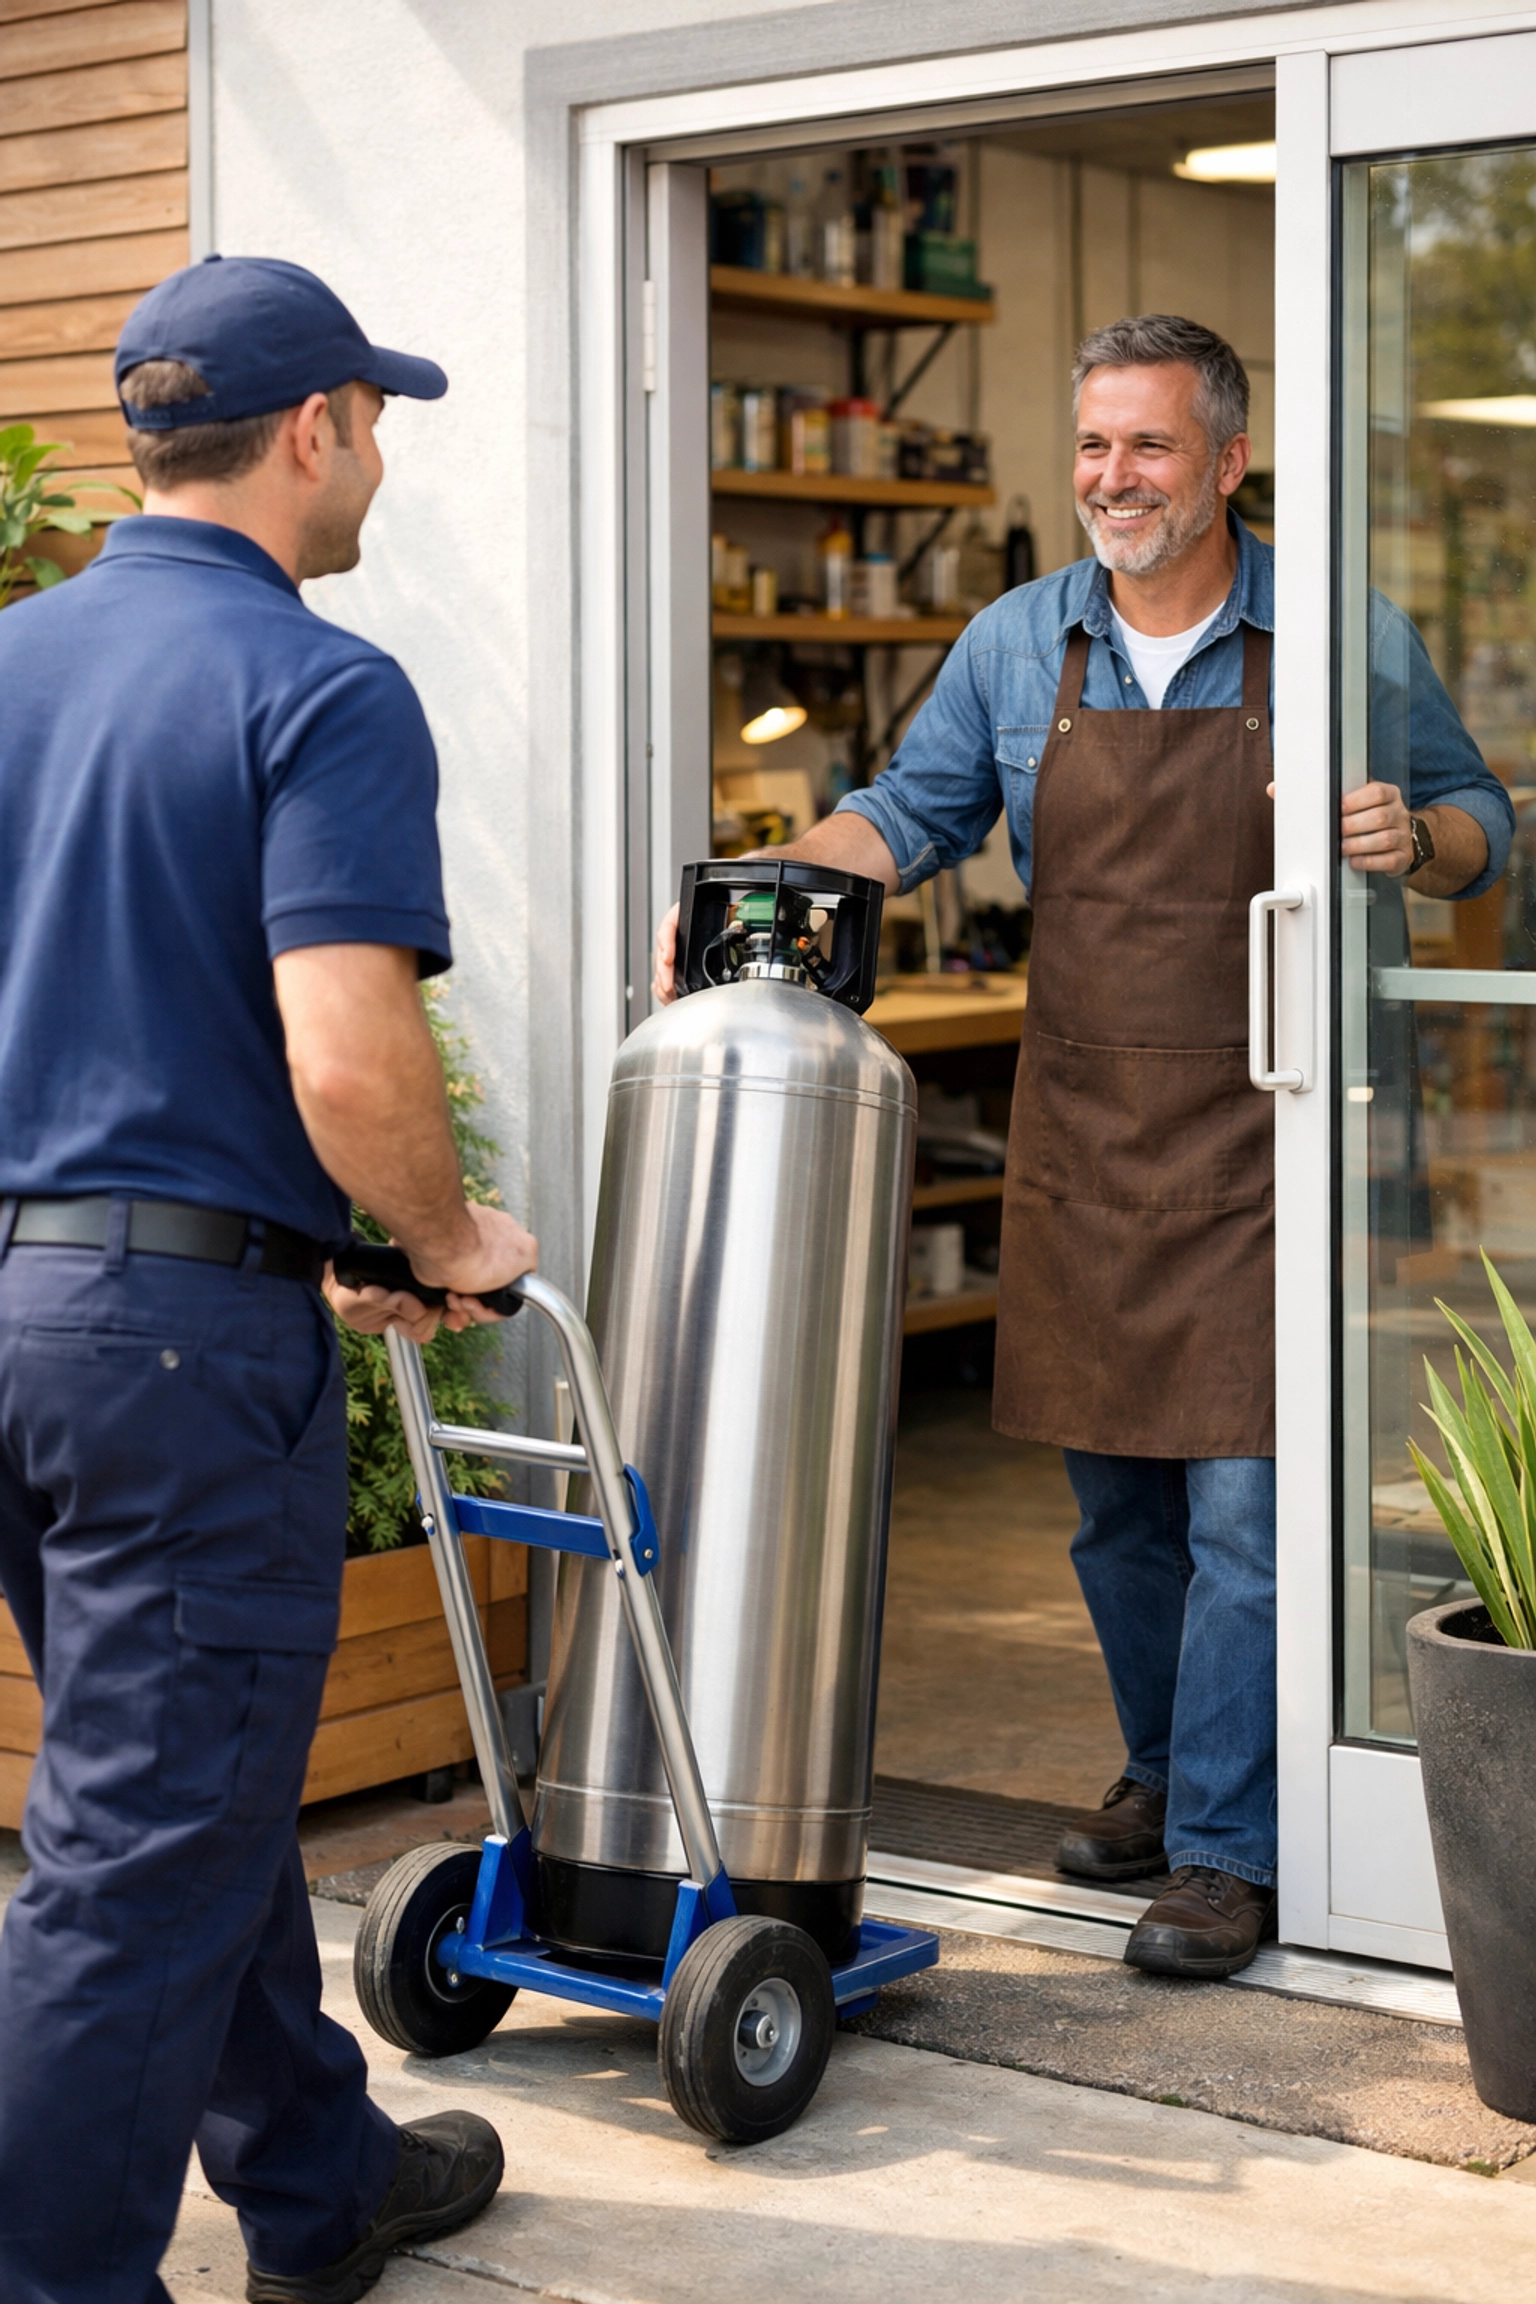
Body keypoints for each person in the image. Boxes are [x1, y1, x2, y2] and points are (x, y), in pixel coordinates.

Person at [654, 314, 1514, 1980]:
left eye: (1153, 447)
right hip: (1090, 1131)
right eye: (1097, 447)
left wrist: (1419, 838)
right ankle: (1165, 1765)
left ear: (1228, 463)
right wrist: (746, 899)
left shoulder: (1335, 632)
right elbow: (907, 812)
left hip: (1270, 1130)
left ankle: (1223, 1850)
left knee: (1246, 1512)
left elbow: (1483, 823)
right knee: (1116, 1513)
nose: (1117, 479)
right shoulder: (1015, 643)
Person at [0, 256, 537, 2304]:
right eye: (376, 422)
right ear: (314, 430)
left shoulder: (10, 659)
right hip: (167, 1350)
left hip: (27, 1313)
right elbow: (344, 1046)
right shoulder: (316, 682)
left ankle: (320, 2184)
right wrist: (436, 1241)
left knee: (174, 1781)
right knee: (135, 1857)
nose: (378, 458)